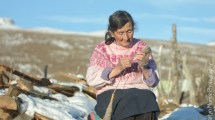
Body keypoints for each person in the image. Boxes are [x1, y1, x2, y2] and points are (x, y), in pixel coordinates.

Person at [86, 10, 160, 120]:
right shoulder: (102, 49)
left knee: (148, 99)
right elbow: (91, 80)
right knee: (127, 103)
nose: (126, 37)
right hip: (111, 93)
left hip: (139, 93)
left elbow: (153, 82)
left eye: (129, 31)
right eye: (121, 33)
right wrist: (117, 68)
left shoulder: (141, 47)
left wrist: (144, 66)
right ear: (111, 33)